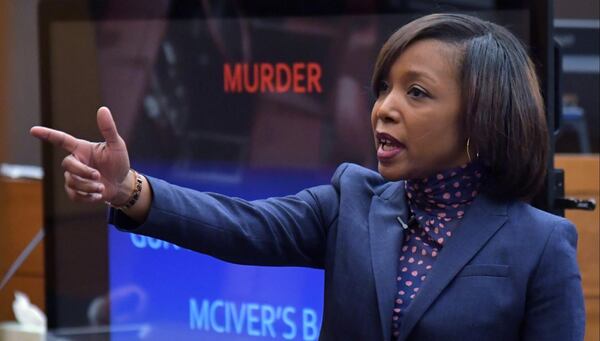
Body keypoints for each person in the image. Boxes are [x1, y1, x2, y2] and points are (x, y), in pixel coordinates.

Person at [30, 13, 585, 341]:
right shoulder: (353, 200)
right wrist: (130, 189)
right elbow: (241, 225)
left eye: (415, 92)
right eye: (384, 88)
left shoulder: (540, 243)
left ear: (481, 116)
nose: (384, 108)